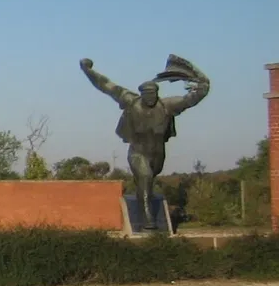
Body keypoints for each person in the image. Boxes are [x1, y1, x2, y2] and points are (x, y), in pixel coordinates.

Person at [80, 56, 208, 229]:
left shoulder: (167, 106)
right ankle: (148, 223)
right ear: (141, 94)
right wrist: (88, 70)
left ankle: (146, 213)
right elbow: (106, 85)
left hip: (158, 154)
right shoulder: (130, 101)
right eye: (147, 94)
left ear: (157, 93)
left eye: (153, 94)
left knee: (146, 182)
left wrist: (201, 80)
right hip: (137, 152)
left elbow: (193, 98)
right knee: (145, 178)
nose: (150, 97)